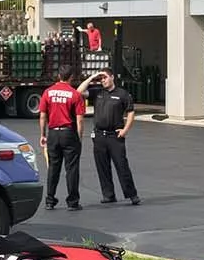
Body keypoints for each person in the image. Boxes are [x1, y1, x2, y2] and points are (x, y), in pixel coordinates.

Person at [87, 70, 141, 205]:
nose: (103, 81)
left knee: (122, 165)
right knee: (102, 167)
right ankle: (108, 195)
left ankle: (132, 194)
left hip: (115, 136)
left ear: (112, 77)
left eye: (105, 78)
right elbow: (78, 91)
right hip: (99, 135)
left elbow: (130, 112)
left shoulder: (122, 94)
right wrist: (92, 77)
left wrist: (125, 130)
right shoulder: (98, 93)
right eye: (101, 79)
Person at [39, 65, 86, 211]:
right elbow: (80, 120)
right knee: (71, 168)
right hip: (68, 133)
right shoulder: (75, 95)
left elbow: (42, 116)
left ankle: (50, 200)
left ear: (59, 76)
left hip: (53, 133)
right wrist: (79, 138)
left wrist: (43, 135)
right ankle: (72, 202)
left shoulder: (48, 92)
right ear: (71, 77)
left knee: (53, 167)